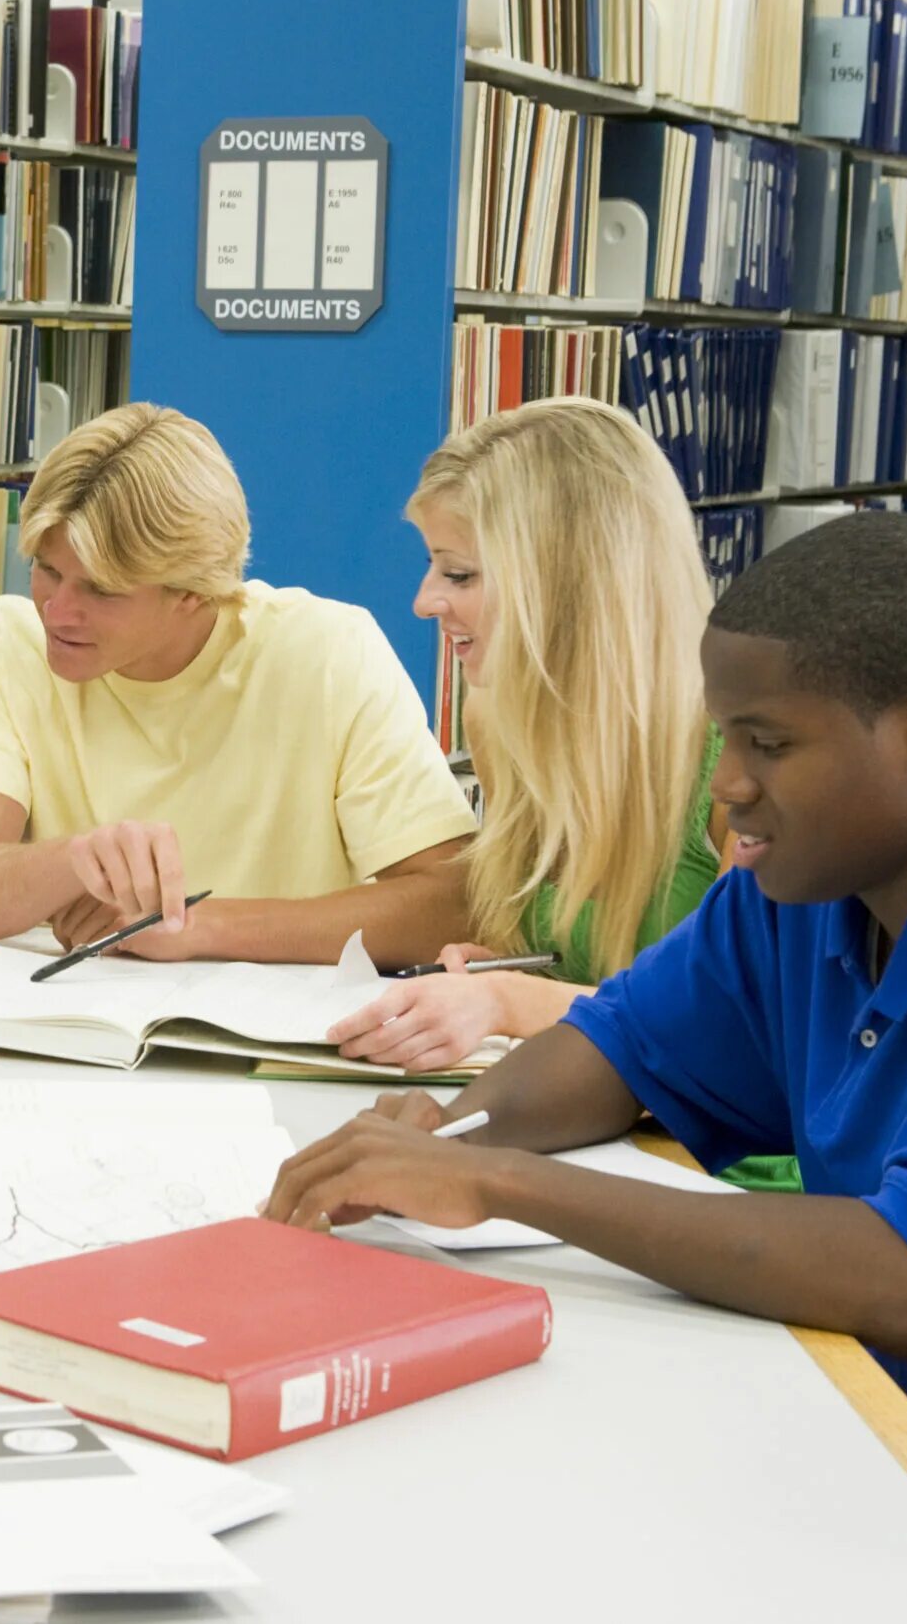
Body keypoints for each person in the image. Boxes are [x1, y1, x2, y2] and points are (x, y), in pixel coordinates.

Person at [264, 513, 907, 1624]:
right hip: (856, 1462)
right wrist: (447, 1137)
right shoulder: (805, 888)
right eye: (724, 740)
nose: (728, 789)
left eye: (769, 743)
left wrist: (497, 1185)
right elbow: (617, 1052)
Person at [319, 401, 797, 1191]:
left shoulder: (742, 759)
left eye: (460, 573)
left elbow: (736, 1036)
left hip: (722, 1174)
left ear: (568, 582)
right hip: (594, 1138)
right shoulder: (502, 720)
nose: (424, 601)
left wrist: (510, 1000)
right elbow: (569, 966)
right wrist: (508, 969)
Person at [0, 402, 475, 965]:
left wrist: (199, 927)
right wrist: (77, 860)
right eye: (47, 569)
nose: (56, 612)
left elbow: (449, 906)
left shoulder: (329, 652)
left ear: (193, 592)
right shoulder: (10, 640)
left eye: (101, 591)